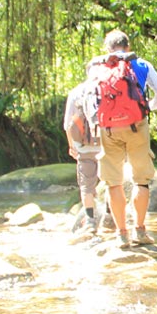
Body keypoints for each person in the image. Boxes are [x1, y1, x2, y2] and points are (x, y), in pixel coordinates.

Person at [91, 29, 157, 250]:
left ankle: (121, 235)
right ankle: (140, 231)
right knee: (141, 179)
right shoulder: (141, 64)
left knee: (113, 182)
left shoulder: (98, 67)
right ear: (128, 45)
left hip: (108, 129)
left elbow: (91, 99)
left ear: (108, 49)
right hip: (137, 125)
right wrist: (147, 109)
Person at [63, 65, 103, 233]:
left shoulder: (76, 92)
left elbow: (67, 124)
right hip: (106, 145)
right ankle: (110, 216)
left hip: (83, 146)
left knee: (86, 186)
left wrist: (72, 145)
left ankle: (90, 221)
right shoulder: (106, 89)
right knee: (112, 181)